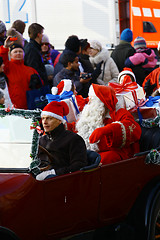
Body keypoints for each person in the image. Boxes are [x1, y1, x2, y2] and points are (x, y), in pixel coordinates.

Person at [75, 84, 141, 164]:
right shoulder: (92, 114)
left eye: (92, 100)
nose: (89, 103)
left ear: (102, 102)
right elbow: (81, 126)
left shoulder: (119, 113)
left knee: (103, 160)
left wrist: (108, 129)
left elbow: (133, 129)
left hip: (116, 152)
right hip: (92, 151)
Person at [36, 100, 88, 180]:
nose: (44, 122)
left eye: (49, 118)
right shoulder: (42, 140)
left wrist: (54, 173)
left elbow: (79, 165)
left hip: (64, 181)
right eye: (43, 119)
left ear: (59, 121)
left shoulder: (73, 139)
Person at [0, 37, 42, 109]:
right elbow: (2, 58)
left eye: (20, 51)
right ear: (10, 55)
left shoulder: (31, 70)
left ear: (24, 54)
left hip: (29, 104)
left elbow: (40, 86)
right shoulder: (8, 67)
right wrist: (5, 47)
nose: (18, 53)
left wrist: (38, 83)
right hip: (12, 105)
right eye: (15, 52)